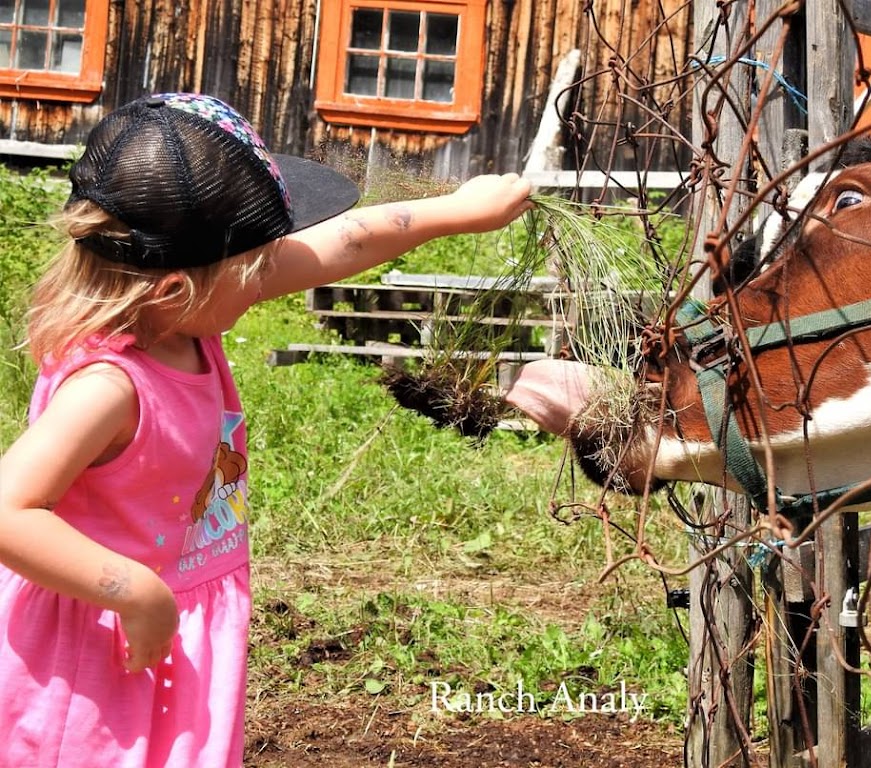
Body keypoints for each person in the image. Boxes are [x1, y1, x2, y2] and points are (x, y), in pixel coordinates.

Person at [0, 92, 532, 767]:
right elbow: (9, 510)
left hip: (172, 625)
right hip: (99, 662)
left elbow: (345, 241)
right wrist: (132, 591)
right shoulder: (109, 389)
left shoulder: (185, 310)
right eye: (256, 265)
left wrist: (460, 212)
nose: (270, 274)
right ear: (174, 291)